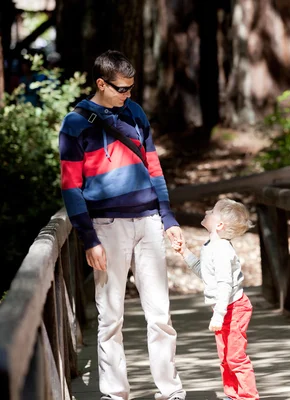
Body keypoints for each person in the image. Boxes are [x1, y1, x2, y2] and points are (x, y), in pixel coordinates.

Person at [59, 50, 185, 400]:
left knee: (160, 314)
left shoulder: (135, 112)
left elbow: (154, 167)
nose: (127, 94)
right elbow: (70, 186)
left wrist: (168, 217)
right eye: (121, 89)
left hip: (147, 221)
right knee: (110, 316)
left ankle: (171, 391)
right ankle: (115, 394)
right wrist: (88, 238)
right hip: (107, 225)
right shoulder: (75, 124)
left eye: (131, 88)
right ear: (101, 83)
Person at [172, 198, 259, 400]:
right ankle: (232, 394)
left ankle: (248, 396)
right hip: (224, 308)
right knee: (225, 356)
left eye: (213, 211)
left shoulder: (221, 251)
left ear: (219, 225)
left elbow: (224, 285)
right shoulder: (211, 245)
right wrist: (184, 252)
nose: (208, 210)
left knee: (235, 357)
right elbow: (205, 273)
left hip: (234, 308)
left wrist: (219, 315)